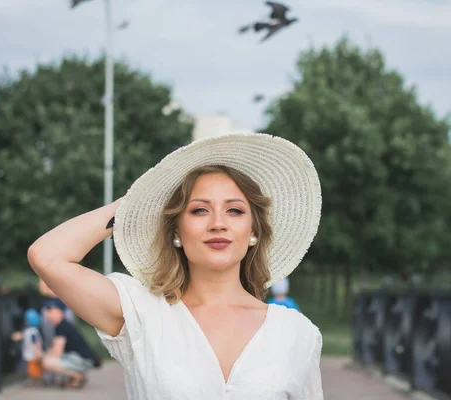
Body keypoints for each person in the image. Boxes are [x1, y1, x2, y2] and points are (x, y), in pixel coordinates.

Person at [28, 132, 324, 399]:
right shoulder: (141, 314)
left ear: (253, 231)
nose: (217, 224)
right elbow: (47, 257)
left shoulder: (297, 333)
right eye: (199, 210)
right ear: (176, 232)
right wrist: (136, 203)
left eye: (234, 210)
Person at [41, 298, 95, 389]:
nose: (47, 314)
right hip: (81, 358)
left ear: (60, 312)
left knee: (48, 362)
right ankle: (74, 379)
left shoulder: (62, 326)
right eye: (47, 311)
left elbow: (57, 353)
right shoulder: (62, 325)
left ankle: (79, 376)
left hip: (83, 360)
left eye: (50, 310)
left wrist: (44, 355)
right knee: (49, 358)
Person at [11, 308, 44, 384]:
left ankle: (36, 381)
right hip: (29, 353)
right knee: (31, 368)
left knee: (34, 369)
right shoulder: (28, 331)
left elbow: (37, 342)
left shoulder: (33, 332)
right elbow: (22, 335)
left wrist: (37, 352)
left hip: (32, 354)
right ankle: (34, 380)